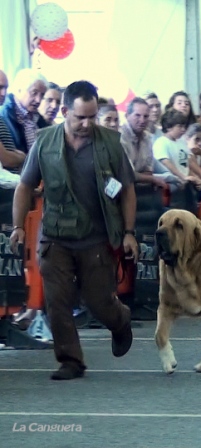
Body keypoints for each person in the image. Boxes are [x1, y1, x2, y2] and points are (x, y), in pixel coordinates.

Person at [10, 81, 138, 380]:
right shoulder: (45, 142)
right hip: (55, 236)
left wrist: (129, 231)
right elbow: (25, 185)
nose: (87, 123)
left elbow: (128, 189)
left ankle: (120, 321)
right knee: (57, 301)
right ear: (65, 111)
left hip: (96, 238)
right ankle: (70, 360)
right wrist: (17, 226)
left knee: (99, 303)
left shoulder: (109, 144)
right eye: (81, 117)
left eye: (92, 116)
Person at [121, 97, 181, 190]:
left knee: (174, 183)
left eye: (145, 116)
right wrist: (152, 179)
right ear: (127, 116)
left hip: (142, 184)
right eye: (137, 115)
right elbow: (128, 174)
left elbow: (148, 170)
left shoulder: (147, 138)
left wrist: (145, 177)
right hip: (125, 187)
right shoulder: (120, 137)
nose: (142, 120)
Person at [0, 68, 49, 154]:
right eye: (34, 93)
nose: (38, 100)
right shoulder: (5, 115)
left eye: (42, 95)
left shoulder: (38, 117)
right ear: (19, 89)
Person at [153, 109, 201, 189]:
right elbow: (166, 162)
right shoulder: (161, 142)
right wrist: (182, 177)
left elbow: (186, 163)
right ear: (169, 127)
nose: (183, 129)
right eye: (180, 126)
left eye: (184, 126)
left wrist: (194, 177)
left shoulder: (181, 142)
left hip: (184, 183)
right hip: (170, 185)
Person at [0, 69, 26, 172]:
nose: (3, 93)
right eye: (0, 87)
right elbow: (6, 159)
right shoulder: (8, 113)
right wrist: (23, 157)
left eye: (6, 88)